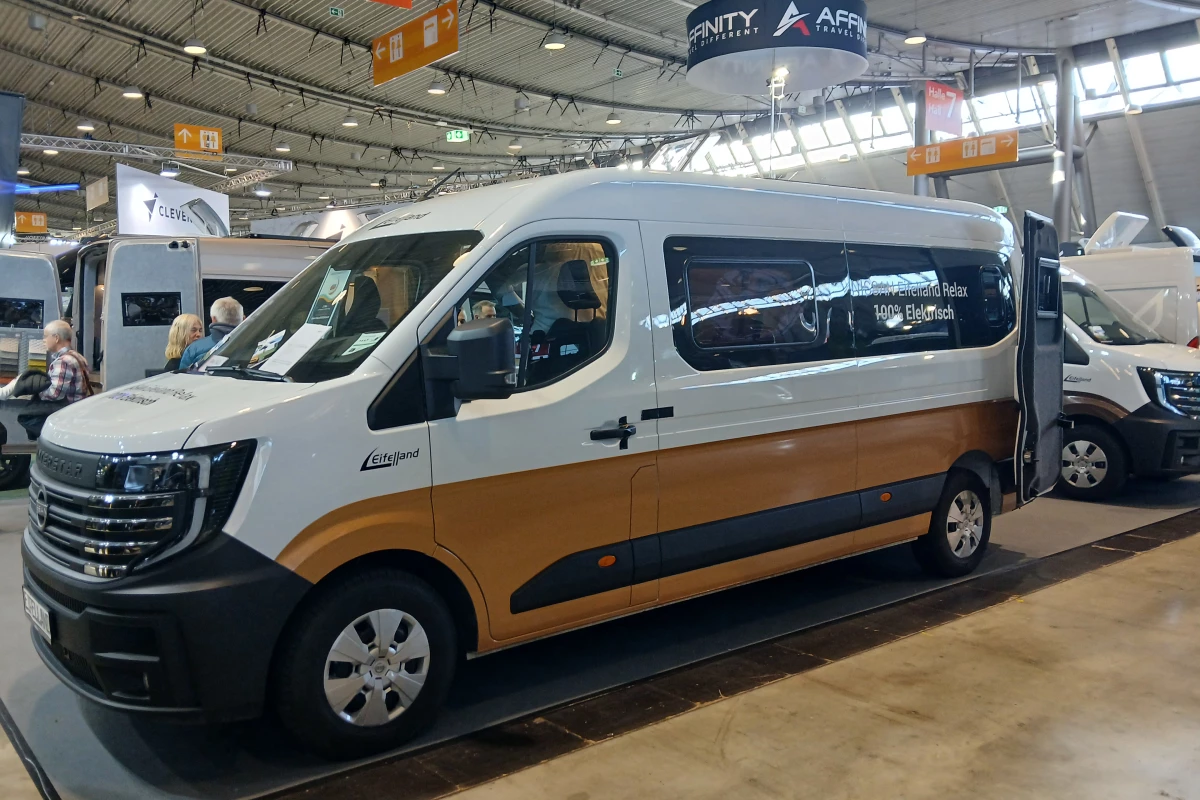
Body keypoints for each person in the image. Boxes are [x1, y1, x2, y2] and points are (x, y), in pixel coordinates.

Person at [15, 320, 93, 440]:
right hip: (78, 412)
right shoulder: (77, 356)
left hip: (67, 416)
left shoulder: (63, 361)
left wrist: (36, 391)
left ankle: (50, 439)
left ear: (56, 338)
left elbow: (54, 394)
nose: (43, 340)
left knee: (26, 417)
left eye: (45, 336)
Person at [180, 298, 244, 370]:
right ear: (243, 318)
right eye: (193, 330)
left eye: (200, 330)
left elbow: (183, 379)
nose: (198, 334)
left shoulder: (193, 349)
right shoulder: (255, 344)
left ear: (213, 319)